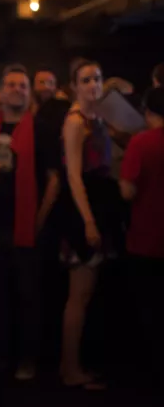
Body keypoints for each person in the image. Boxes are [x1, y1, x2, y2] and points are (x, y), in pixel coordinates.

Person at [0, 64, 60, 381]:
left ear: (29, 91)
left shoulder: (43, 128)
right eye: (11, 85)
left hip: (28, 228)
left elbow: (53, 179)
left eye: (22, 85)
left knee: (29, 298)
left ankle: (27, 362)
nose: (17, 90)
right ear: (2, 90)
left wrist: (39, 218)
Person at [59, 58, 119, 390]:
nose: (93, 85)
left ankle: (74, 365)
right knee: (78, 294)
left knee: (86, 293)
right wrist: (88, 221)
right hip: (84, 209)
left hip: (98, 205)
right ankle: (70, 369)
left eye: (97, 78)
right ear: (75, 86)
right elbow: (73, 176)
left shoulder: (96, 118)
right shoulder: (75, 121)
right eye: (86, 80)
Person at [119, 87, 164, 388]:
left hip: (146, 239)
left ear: (148, 112)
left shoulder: (141, 142)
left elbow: (127, 190)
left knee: (150, 309)